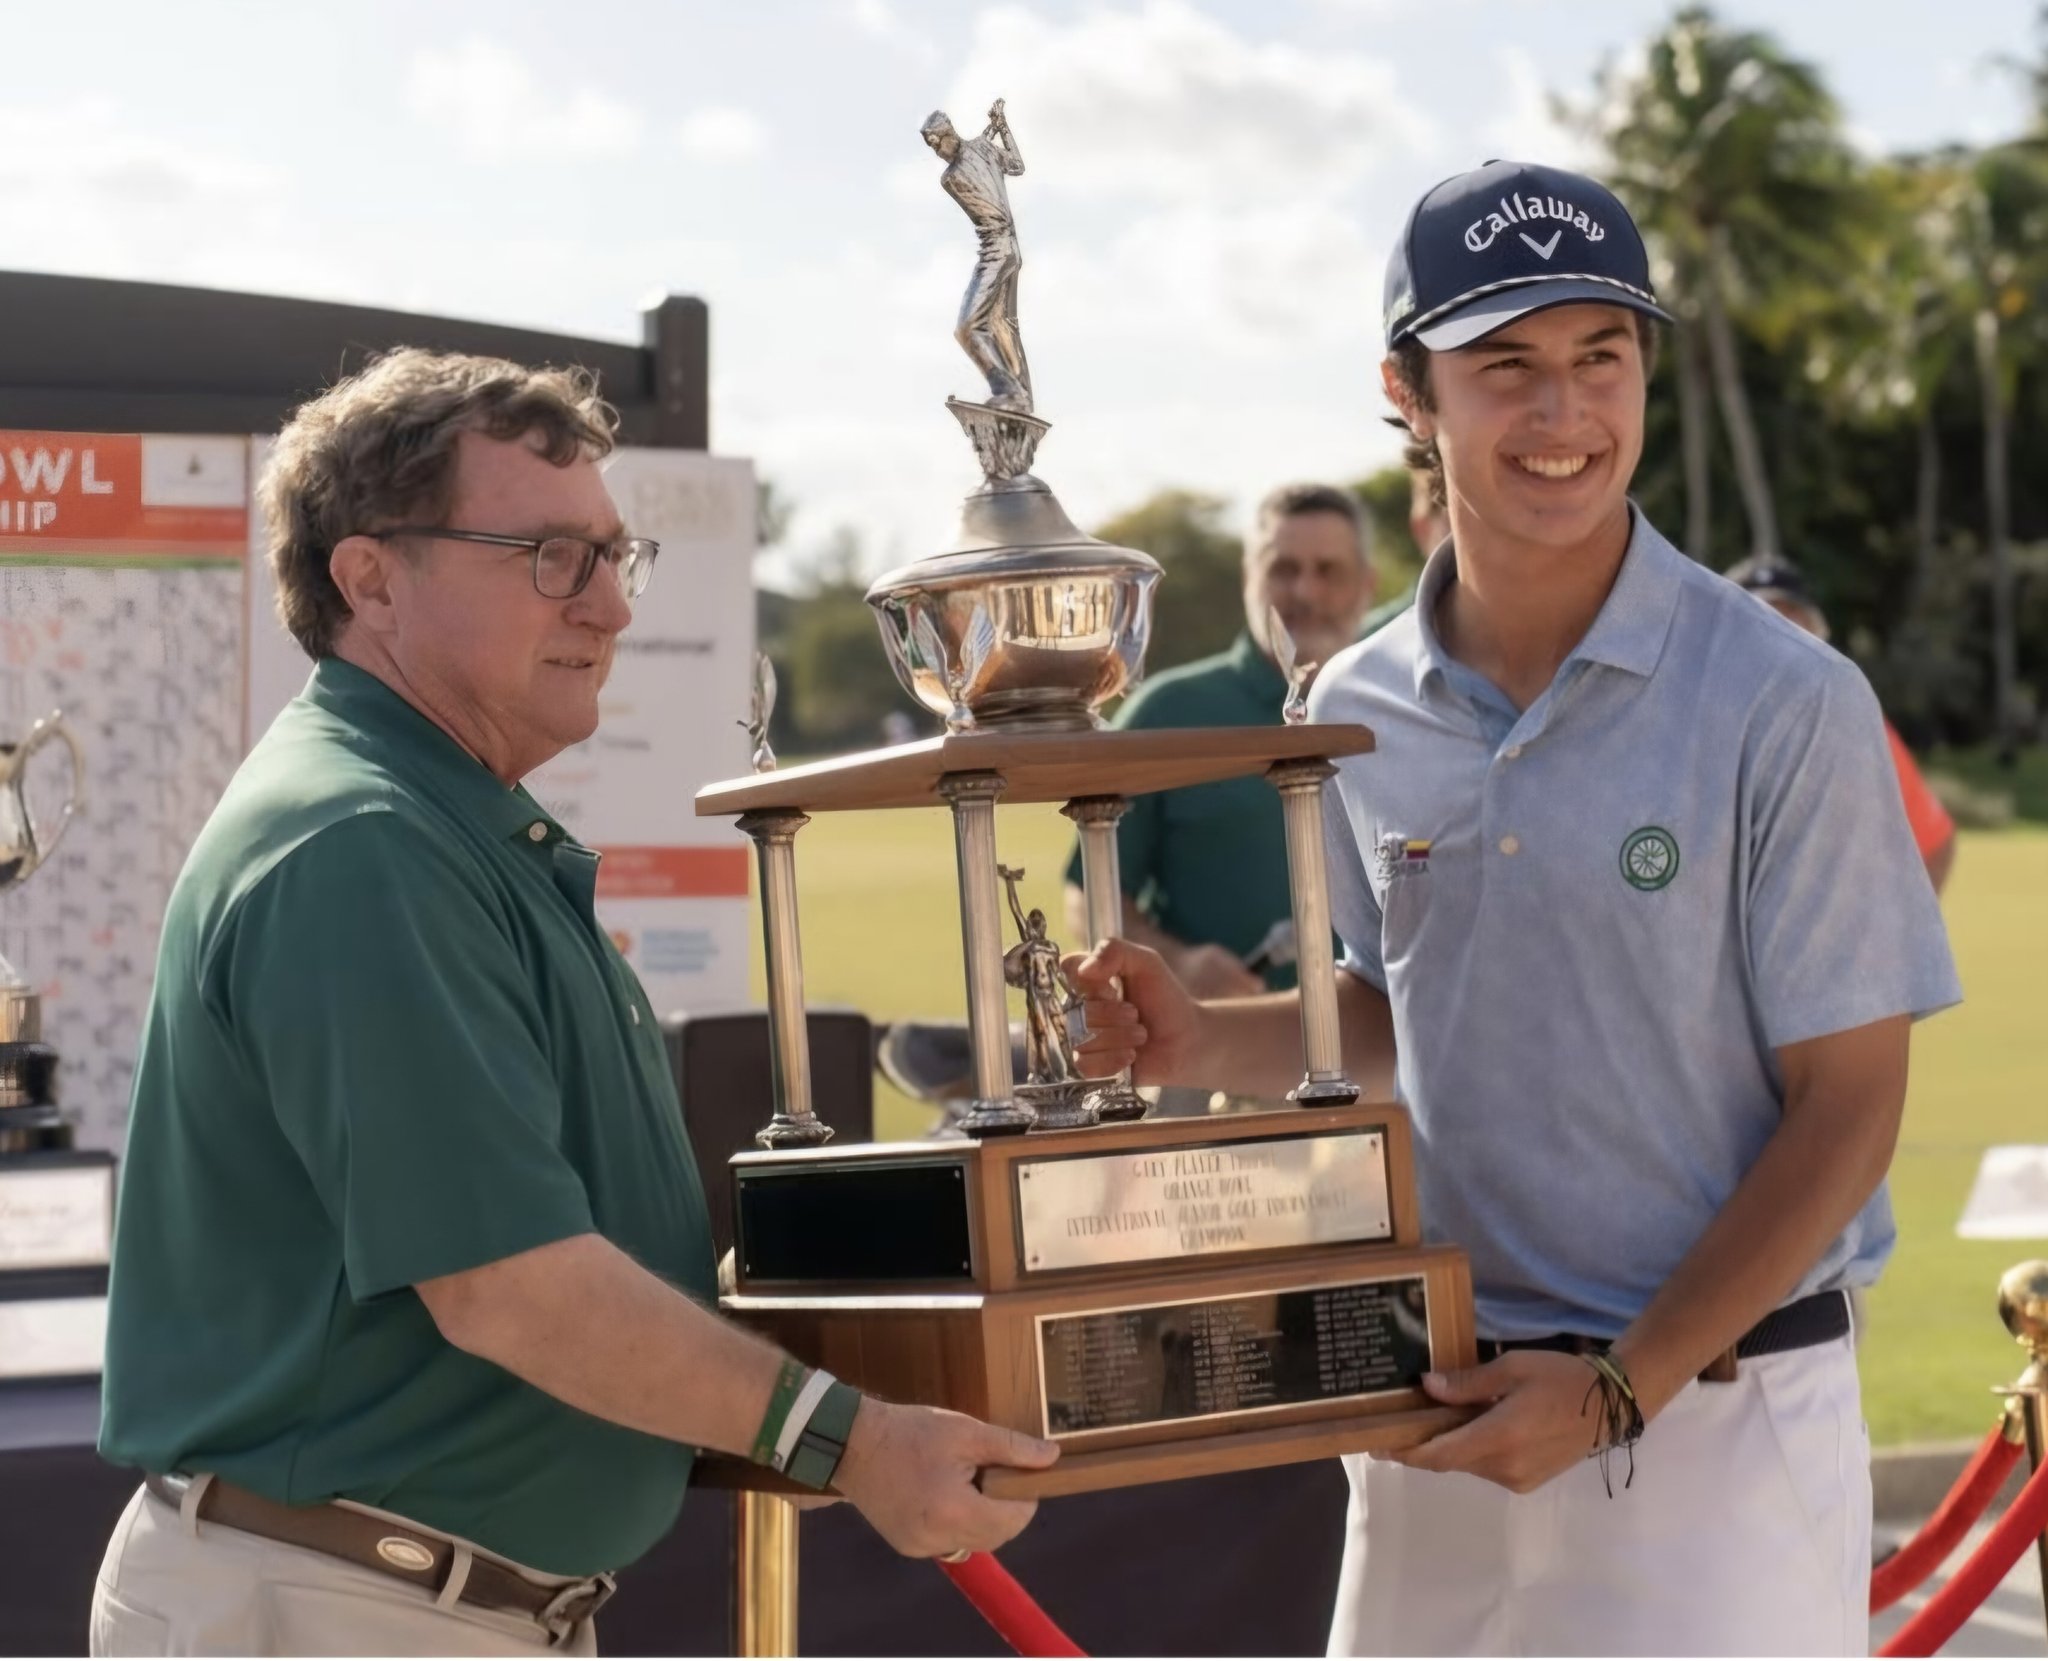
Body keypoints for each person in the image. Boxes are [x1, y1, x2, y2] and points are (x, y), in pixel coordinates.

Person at [1069, 160, 1959, 1656]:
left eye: (1599, 357)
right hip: (1439, 1412)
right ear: (1407, 394)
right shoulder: (1348, 706)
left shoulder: (1786, 698)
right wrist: (1200, 1039)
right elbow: (1393, 1006)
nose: (1564, 414)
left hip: (1713, 1427)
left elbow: (1849, 1106)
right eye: (1504, 367)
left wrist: (1618, 1389)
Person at [91, 349, 1055, 1657]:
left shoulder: (438, 825)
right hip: (340, 1604)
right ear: (370, 578)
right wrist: (849, 1438)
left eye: (613, 556)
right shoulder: (365, 844)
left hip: (416, 1599)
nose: (607, 607)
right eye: (549, 556)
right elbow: (508, 1287)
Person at [1060, 482, 1376, 1004]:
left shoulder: (1405, 709)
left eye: (1329, 571)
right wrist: (1177, 964)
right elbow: (1090, 892)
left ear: (1368, 583)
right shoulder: (1168, 713)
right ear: (1249, 577)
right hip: (1213, 1041)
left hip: (1386, 1046)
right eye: (1283, 569)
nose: (1305, 592)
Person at [1726, 555, 1958, 894]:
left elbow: (1934, 842)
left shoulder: (1857, 725)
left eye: (1792, 624)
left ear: (1816, 633)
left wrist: (1897, 924)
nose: (1779, 641)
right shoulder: (1688, 726)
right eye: (1760, 621)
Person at [923, 101, 1031, 413]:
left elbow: (982, 164)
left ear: (949, 134)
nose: (937, 152)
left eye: (937, 143)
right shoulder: (981, 150)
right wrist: (1001, 128)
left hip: (995, 251)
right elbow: (1012, 165)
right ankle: (1021, 398)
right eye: (932, 147)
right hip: (1012, 251)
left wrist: (996, 129)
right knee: (1002, 325)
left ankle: (1010, 392)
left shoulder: (950, 178)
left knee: (968, 328)